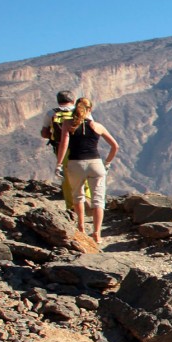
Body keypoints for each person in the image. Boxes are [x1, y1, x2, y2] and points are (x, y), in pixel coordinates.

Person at [53, 97, 120, 242]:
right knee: (98, 200)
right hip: (96, 164)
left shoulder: (68, 124)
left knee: (78, 196)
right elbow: (115, 146)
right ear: (90, 110)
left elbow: (63, 145)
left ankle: (81, 227)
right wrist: (107, 163)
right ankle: (97, 233)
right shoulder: (97, 126)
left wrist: (58, 164)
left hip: (75, 164)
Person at [39, 90, 88, 211]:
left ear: (58, 101)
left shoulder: (51, 113)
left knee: (67, 177)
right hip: (81, 148)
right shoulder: (80, 112)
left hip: (61, 148)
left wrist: (53, 135)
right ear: (73, 100)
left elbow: (44, 133)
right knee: (84, 174)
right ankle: (88, 203)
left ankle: (71, 207)